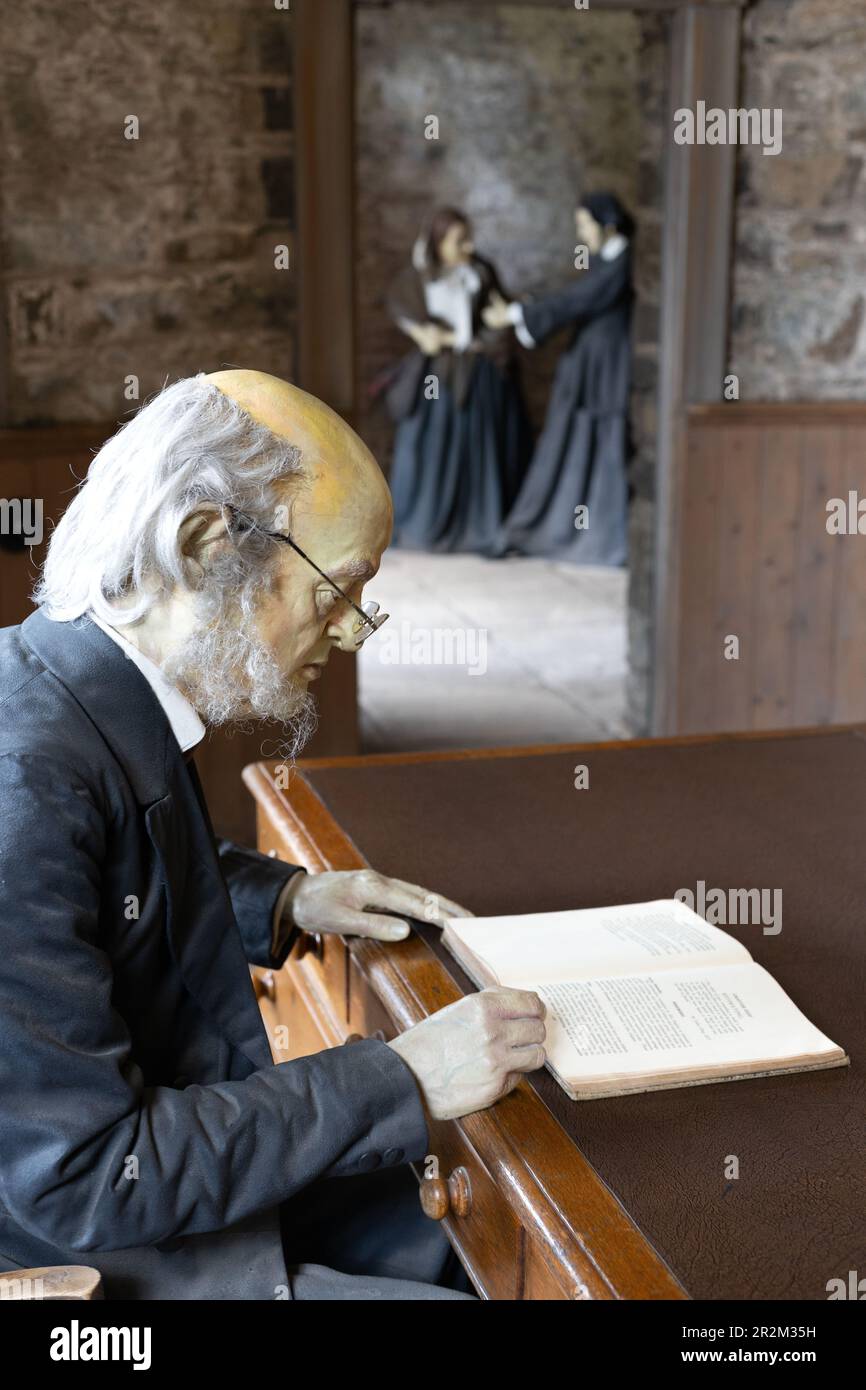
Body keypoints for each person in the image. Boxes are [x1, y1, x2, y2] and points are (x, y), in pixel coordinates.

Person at [0, 370, 547, 1300]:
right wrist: (399, 1076)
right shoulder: (24, 787)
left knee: (483, 1230)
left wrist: (286, 895)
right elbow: (88, 1175)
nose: (348, 634)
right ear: (206, 545)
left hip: (165, 1185)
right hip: (96, 1261)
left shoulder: (76, 683)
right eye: (340, 590)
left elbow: (105, 890)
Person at [483, 192, 635, 565]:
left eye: (585, 224)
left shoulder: (624, 263)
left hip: (608, 367)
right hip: (592, 362)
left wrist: (520, 313)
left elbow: (581, 298)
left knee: (603, 438)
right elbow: (577, 297)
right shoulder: (608, 260)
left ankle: (600, 535)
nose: (581, 233)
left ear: (608, 224)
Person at [382, 207, 533, 553]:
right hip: (437, 374)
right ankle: (425, 525)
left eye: (468, 238)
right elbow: (403, 308)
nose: (467, 246)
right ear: (438, 242)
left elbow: (497, 313)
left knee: (476, 448)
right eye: (457, 240)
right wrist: (422, 332)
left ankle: (476, 524)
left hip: (476, 372)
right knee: (430, 448)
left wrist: (504, 320)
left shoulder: (480, 272)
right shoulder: (421, 277)